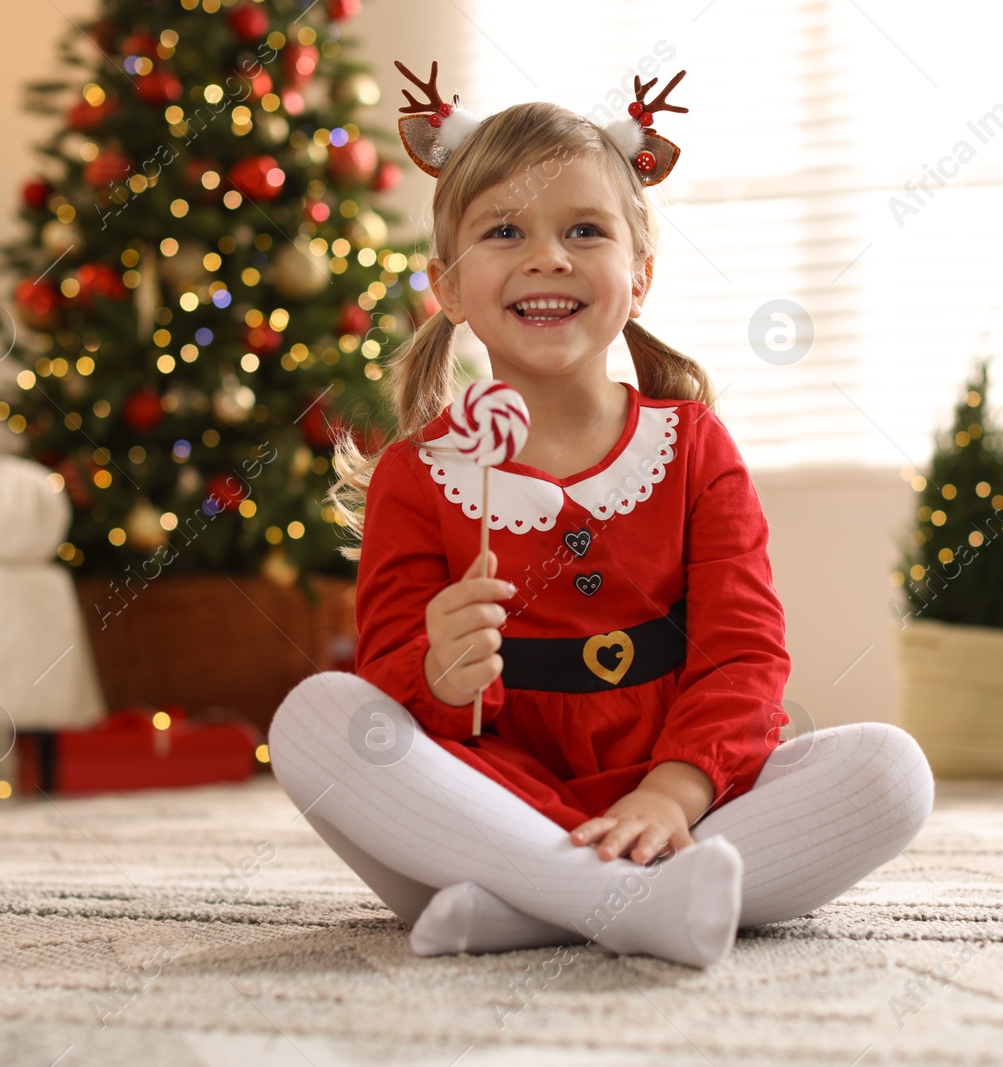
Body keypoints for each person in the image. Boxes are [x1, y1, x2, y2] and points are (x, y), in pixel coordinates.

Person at [268, 60, 934, 969]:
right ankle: (618, 899)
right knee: (317, 718)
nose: (548, 256)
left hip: (680, 795)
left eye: (585, 229)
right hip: (493, 797)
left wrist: (672, 792)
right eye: (504, 231)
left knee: (890, 773)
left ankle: (533, 907)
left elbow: (744, 656)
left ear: (641, 274)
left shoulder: (695, 449)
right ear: (450, 287)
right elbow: (393, 690)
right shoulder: (417, 480)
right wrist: (441, 674)